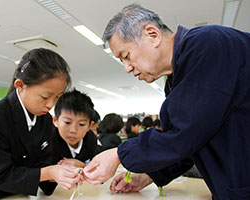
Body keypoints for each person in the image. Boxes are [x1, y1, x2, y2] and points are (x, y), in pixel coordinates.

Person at [83, 3, 250, 200]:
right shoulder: (176, 78)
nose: (127, 68)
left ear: (152, 35)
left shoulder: (208, 45)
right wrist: (150, 176)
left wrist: (119, 154)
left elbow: (186, 131)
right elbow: (194, 142)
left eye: (126, 56)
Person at [0, 48, 82, 199]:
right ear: (20, 85)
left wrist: (58, 173)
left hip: (14, 195)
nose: (50, 105)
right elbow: (0, 174)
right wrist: (49, 172)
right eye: (45, 97)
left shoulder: (44, 120)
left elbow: (41, 163)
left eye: (57, 98)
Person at [50, 89, 101, 169]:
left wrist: (82, 165)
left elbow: (98, 165)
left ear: (89, 126)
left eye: (81, 124)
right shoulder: (48, 139)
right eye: (67, 122)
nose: (73, 130)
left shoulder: (90, 138)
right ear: (55, 121)